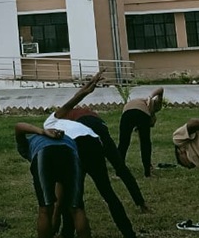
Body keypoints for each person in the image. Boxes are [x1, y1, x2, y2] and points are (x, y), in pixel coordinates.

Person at [44, 71, 136, 238]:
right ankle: (129, 234)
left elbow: (58, 191)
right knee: (107, 192)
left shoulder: (48, 134)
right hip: (94, 142)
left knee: (74, 198)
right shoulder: (52, 120)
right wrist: (87, 89)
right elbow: (73, 100)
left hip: (77, 147)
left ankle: (68, 234)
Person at [56, 75, 149, 213]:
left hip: (86, 132)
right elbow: (78, 95)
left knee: (80, 175)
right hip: (99, 127)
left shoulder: (61, 117)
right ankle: (141, 204)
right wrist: (91, 82)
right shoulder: (81, 111)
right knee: (120, 166)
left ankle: (75, 210)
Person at [14, 122, 96, 238]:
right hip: (69, 153)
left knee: (45, 209)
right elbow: (60, 188)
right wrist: (56, 217)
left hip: (45, 154)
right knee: (77, 208)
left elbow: (19, 126)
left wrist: (42, 131)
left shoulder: (29, 145)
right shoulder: (63, 138)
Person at [117, 87, 164, 177]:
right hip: (140, 113)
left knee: (123, 143)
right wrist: (151, 96)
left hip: (126, 113)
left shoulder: (142, 105)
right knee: (145, 142)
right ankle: (147, 172)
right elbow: (161, 89)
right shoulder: (153, 105)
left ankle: (119, 172)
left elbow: (140, 133)